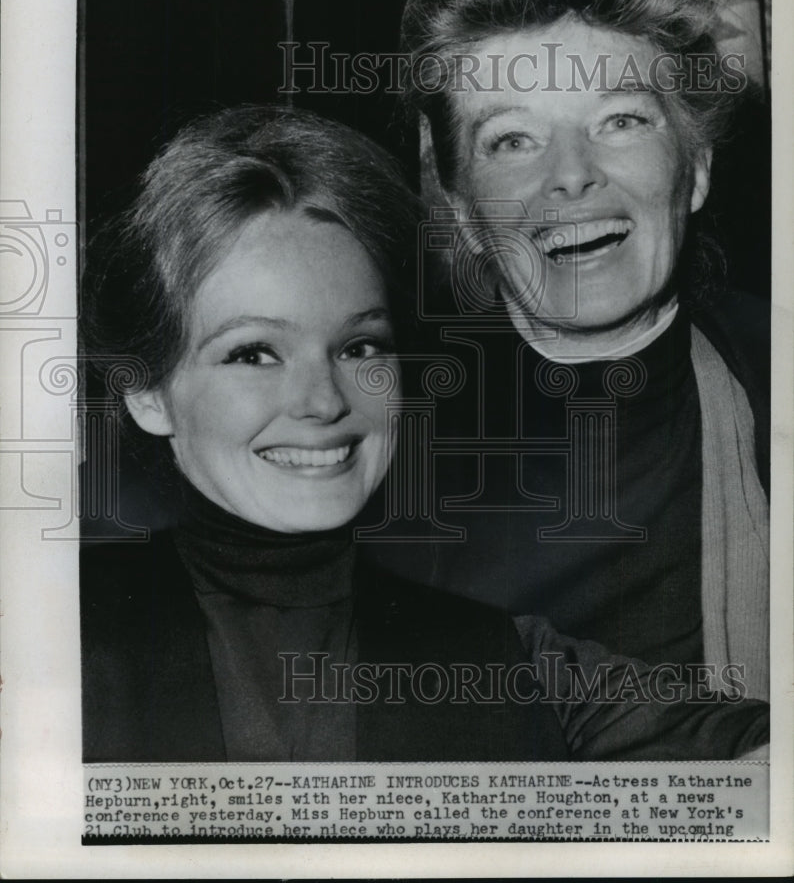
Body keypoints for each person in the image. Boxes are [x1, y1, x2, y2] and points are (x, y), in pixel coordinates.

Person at [80, 105, 767, 764]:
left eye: (360, 347)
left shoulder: (505, 657)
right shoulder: (53, 632)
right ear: (148, 392)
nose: (324, 401)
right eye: (254, 353)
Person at [392, 0, 769, 702]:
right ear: (462, 207)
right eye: (513, 140)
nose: (572, 175)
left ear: (696, 165)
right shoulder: (383, 439)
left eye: (620, 121)